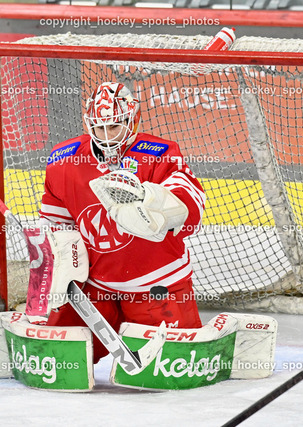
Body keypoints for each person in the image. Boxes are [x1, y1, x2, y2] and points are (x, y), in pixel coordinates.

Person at [38, 82, 205, 364]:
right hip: (94, 285)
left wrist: (151, 200)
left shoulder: (160, 153)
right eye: (99, 127)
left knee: (174, 364)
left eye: (114, 126)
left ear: (132, 120)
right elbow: (56, 222)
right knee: (59, 359)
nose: (106, 136)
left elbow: (191, 208)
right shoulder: (64, 159)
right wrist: (61, 262)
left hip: (157, 284)